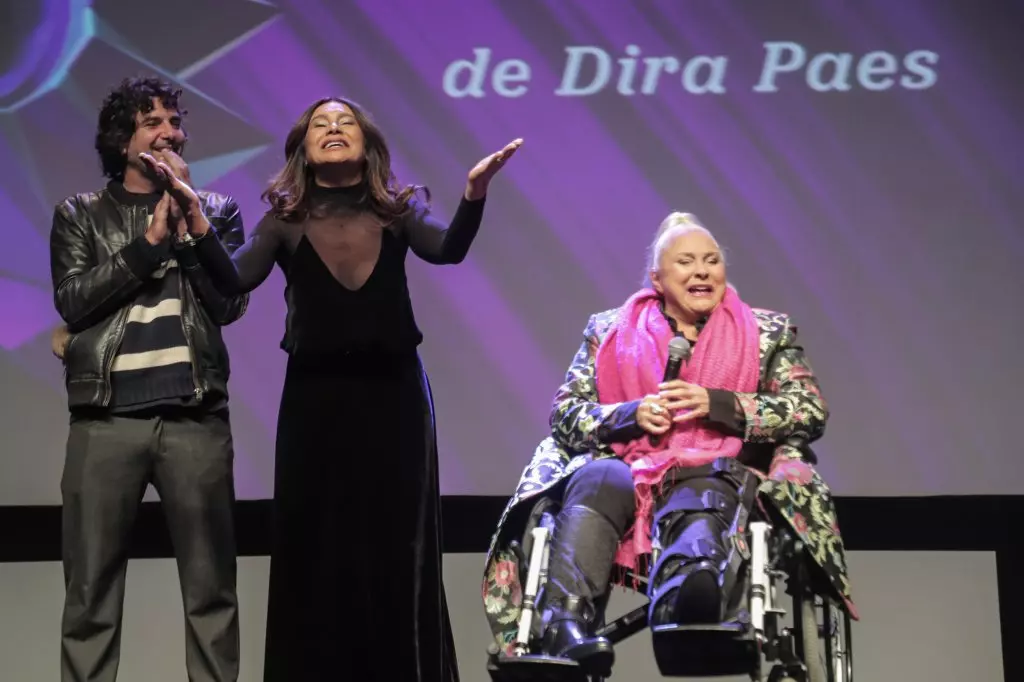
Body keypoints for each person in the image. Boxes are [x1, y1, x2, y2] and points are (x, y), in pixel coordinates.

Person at [141, 96, 522, 681]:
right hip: (315, 404)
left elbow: (449, 250)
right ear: (303, 149)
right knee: (317, 548)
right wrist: (194, 219)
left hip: (394, 401)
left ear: (367, 144)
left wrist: (474, 194)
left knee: (399, 547)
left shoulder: (397, 211)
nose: (335, 129)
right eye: (322, 124)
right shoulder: (284, 220)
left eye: (346, 122)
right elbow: (234, 277)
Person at [481, 212, 858, 676]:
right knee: (597, 477)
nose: (702, 271)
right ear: (658, 278)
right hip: (624, 469)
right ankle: (565, 625)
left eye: (712, 260)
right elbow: (565, 414)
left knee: (708, 478)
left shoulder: (766, 333)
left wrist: (718, 404)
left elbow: (808, 409)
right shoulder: (608, 330)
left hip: (716, 469)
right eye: (686, 262)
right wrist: (628, 414)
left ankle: (686, 600)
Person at [48, 76, 249, 681]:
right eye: (151, 122)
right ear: (122, 138)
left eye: (173, 121)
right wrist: (149, 243)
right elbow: (74, 302)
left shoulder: (214, 211)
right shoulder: (80, 213)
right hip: (105, 422)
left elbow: (229, 303)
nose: (168, 132)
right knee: (90, 594)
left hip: (193, 420)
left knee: (211, 591)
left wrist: (187, 230)